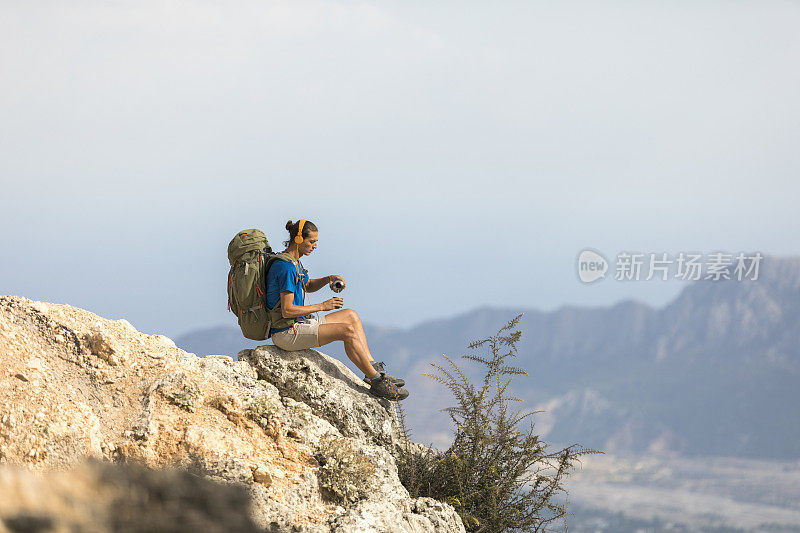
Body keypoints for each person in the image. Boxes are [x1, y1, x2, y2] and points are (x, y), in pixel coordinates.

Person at [265, 219, 409, 401]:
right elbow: (287, 310)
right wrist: (323, 306)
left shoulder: (293, 262)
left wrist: (328, 278)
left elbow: (307, 285)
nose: (315, 246)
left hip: (298, 324)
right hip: (286, 333)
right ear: (299, 239)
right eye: (311, 241)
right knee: (346, 331)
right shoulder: (285, 267)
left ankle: (373, 368)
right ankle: (376, 382)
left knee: (351, 316)